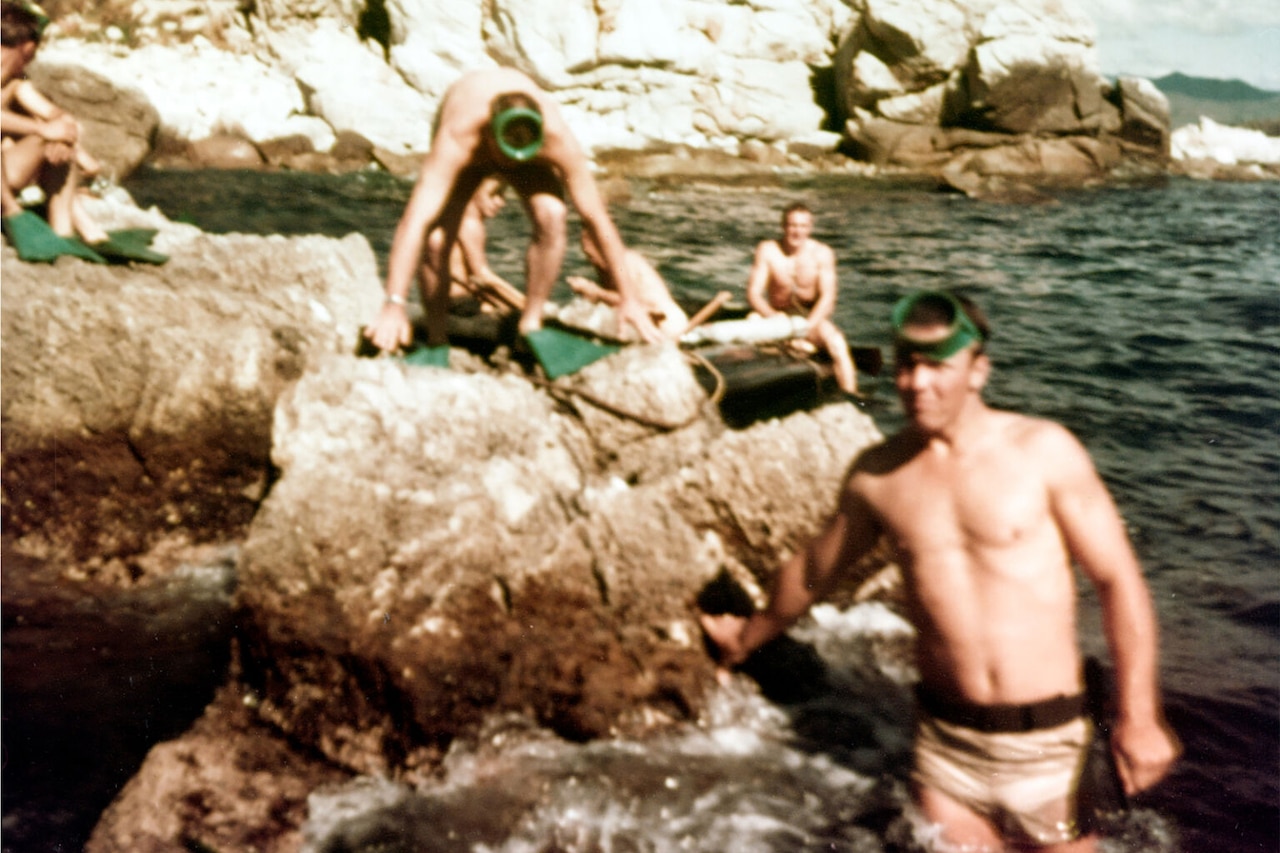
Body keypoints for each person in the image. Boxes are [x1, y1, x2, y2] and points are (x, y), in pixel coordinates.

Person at [700, 290, 1180, 852]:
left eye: (936, 366)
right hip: (946, 757)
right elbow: (812, 572)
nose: (915, 383)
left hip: (1049, 751)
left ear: (978, 371)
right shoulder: (879, 476)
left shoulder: (1044, 453)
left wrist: (1140, 716)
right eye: (906, 365)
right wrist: (744, 639)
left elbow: (1117, 580)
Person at [363, 67, 660, 359]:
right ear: (489, 132)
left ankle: (530, 326)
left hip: (523, 147)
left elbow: (597, 219)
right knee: (438, 240)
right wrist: (394, 303)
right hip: (470, 135)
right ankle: (437, 337)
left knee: (553, 216)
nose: (509, 166)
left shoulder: (555, 140)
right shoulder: (457, 137)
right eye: (504, 154)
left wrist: (629, 298)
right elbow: (415, 220)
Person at [1, 0, 109, 259]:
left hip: (6, 175)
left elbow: (55, 114)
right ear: (27, 47)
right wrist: (44, 130)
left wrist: (61, 136)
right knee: (48, 133)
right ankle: (12, 212)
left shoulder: (17, 82)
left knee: (58, 136)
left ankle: (65, 231)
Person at [745, 202, 858, 395]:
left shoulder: (822, 254)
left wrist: (806, 327)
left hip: (809, 318)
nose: (797, 232)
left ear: (810, 228)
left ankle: (852, 396)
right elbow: (753, 293)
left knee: (837, 344)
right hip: (777, 316)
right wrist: (771, 315)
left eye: (803, 226)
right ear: (784, 226)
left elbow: (828, 298)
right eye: (792, 225)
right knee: (749, 325)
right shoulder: (768, 250)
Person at [422, 175, 526, 311]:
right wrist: (528, 307)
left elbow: (471, 281)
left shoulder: (453, 217)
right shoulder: (470, 224)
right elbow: (483, 277)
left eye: (502, 195)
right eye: (494, 194)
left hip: (441, 304)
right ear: (472, 192)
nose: (501, 202)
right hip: (460, 306)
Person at [567, 229, 689, 341]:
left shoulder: (625, 260)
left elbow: (632, 302)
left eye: (592, 254)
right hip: (644, 322)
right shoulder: (605, 267)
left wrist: (596, 292)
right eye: (588, 255)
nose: (591, 260)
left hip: (667, 324)